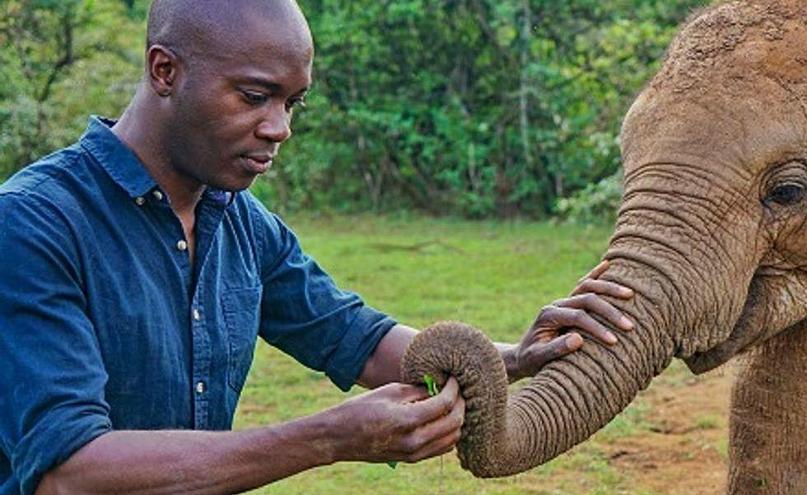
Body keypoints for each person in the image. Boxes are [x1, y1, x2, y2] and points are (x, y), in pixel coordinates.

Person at [0, 1, 635, 494]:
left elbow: (353, 336)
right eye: (254, 97)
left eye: (291, 102)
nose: (279, 128)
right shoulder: (33, 224)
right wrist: (326, 438)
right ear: (165, 70)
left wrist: (508, 359)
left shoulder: (239, 221)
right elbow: (70, 473)